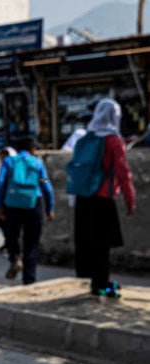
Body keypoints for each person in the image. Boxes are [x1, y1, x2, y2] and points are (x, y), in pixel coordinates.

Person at [73, 98, 136, 298]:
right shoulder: (114, 141)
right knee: (103, 246)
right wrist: (130, 199)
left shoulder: (86, 138)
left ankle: (96, 283)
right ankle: (103, 285)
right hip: (103, 200)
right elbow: (123, 173)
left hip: (83, 199)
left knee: (88, 243)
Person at [0, 137, 55, 284]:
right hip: (33, 204)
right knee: (32, 243)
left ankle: (15, 258)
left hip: (12, 205)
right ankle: (29, 279)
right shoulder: (37, 163)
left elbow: (1, 183)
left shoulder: (10, 162)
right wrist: (49, 207)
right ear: (32, 149)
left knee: (11, 236)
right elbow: (45, 183)